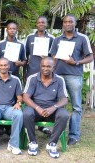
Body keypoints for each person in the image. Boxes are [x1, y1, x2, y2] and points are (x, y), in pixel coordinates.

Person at [49, 14, 93, 145]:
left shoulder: (82, 38)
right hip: (58, 77)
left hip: (74, 76)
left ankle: (73, 135)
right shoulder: (57, 40)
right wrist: (52, 74)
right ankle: (56, 133)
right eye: (65, 22)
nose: (68, 24)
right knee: (55, 105)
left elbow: (90, 57)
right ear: (63, 24)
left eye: (70, 22)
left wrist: (76, 62)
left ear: (75, 23)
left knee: (76, 107)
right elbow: (53, 58)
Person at [23, 57, 69, 158]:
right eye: (43, 66)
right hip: (36, 110)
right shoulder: (33, 78)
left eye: (48, 66)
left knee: (64, 114)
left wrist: (54, 107)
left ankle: (52, 144)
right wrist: (37, 108)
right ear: (40, 66)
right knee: (26, 113)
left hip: (52, 110)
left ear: (54, 67)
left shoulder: (59, 80)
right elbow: (25, 97)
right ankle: (32, 142)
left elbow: (64, 99)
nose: (45, 68)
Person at [24, 16, 55, 135]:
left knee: (45, 99)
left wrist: (46, 57)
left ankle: (43, 125)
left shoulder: (52, 38)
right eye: (38, 22)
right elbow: (25, 55)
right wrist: (25, 72)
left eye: (43, 22)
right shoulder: (30, 37)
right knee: (30, 99)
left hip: (47, 75)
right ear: (36, 24)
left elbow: (54, 56)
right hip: (32, 72)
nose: (41, 24)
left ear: (46, 24)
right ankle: (29, 125)